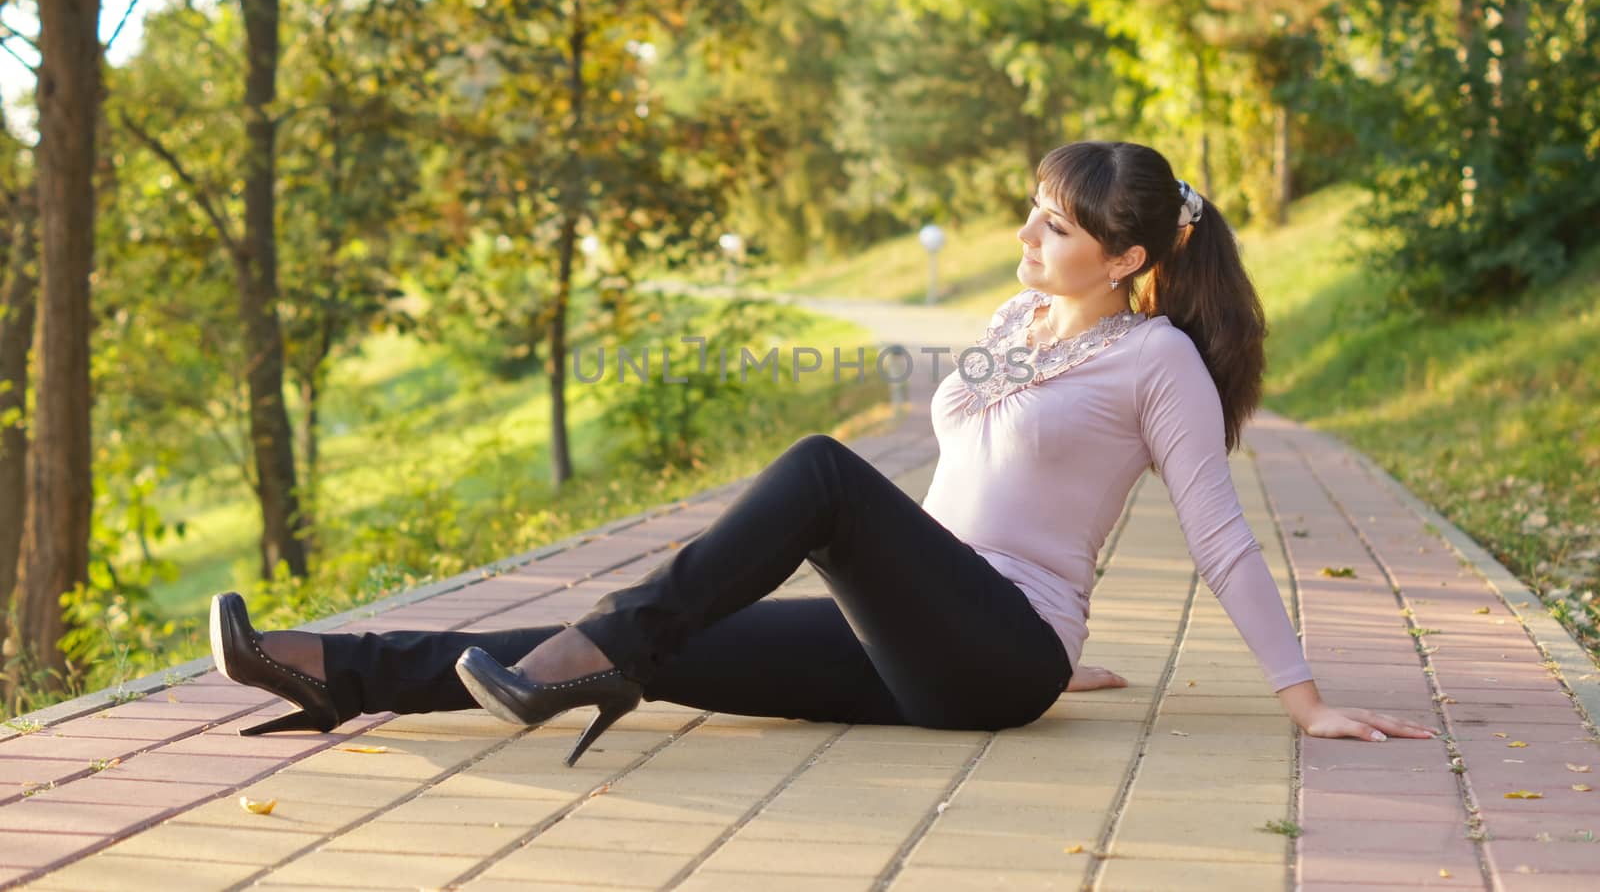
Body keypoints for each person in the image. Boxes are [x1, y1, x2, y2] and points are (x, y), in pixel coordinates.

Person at [210, 140, 1435, 767]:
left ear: (1122, 260)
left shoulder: (1153, 357)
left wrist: (1305, 702)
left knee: (822, 472)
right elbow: (988, 494)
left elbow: (1218, 533)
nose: (1026, 229)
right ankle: (339, 673)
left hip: (997, 656)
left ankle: (603, 650)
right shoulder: (1014, 318)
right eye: (1033, 205)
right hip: (927, 641)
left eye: (1053, 226)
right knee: (652, 640)